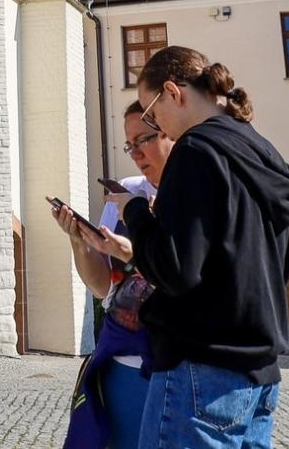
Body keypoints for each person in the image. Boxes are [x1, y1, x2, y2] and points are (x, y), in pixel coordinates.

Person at [121, 46, 289, 449]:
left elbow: (175, 271)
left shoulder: (195, 151)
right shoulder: (262, 149)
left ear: (173, 91)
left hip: (200, 366)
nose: (160, 128)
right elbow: (283, 263)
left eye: (152, 115)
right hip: (260, 368)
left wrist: (135, 212)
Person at [53, 103, 174, 448]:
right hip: (120, 362)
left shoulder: (190, 196)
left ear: (169, 132)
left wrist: (133, 247)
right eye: (128, 145)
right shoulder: (123, 192)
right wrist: (79, 241)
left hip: (174, 364)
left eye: (142, 140)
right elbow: (103, 286)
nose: (134, 153)